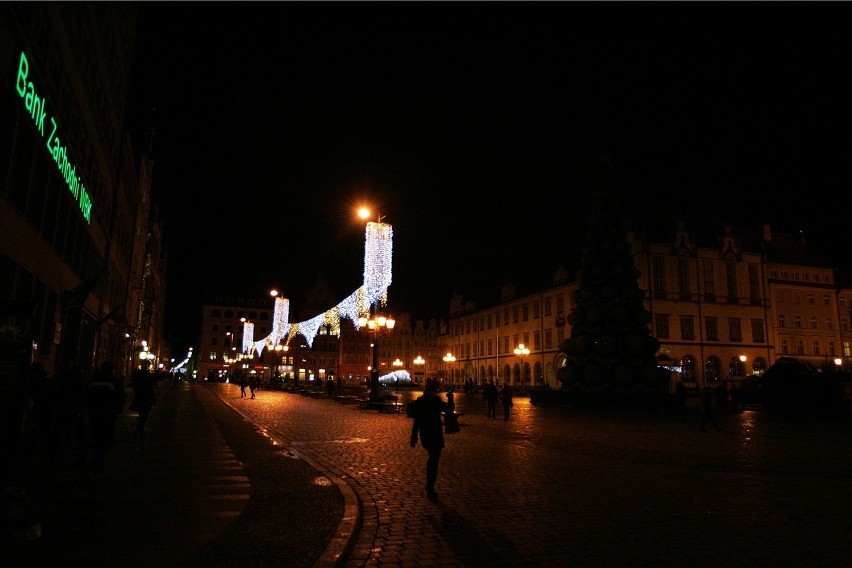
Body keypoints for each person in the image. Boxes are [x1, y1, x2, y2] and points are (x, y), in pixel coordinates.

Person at [410, 378, 448, 501]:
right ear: (434, 390)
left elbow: (417, 420)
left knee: (433, 457)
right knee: (434, 459)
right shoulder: (436, 401)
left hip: (425, 432)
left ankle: (430, 486)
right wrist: (450, 398)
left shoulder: (421, 401)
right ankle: (430, 486)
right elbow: (448, 410)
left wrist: (414, 435)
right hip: (435, 432)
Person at [86, 361, 125, 477]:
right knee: (106, 440)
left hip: (94, 414)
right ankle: (95, 464)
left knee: (97, 438)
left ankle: (95, 463)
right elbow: (120, 398)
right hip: (108, 415)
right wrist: (116, 412)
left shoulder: (92, 381)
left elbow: (86, 396)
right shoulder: (114, 382)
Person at [130, 368, 157, 440]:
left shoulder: (138, 383)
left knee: (141, 415)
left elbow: (135, 390)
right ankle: (140, 430)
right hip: (146, 401)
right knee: (144, 417)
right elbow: (152, 392)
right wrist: (154, 401)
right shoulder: (148, 383)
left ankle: (139, 430)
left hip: (139, 400)